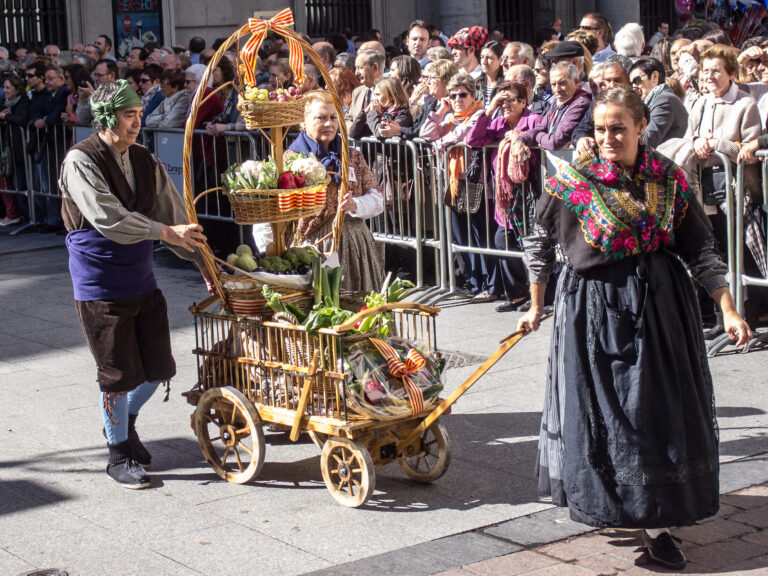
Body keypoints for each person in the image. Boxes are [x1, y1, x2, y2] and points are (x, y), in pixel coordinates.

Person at [517, 85, 751, 570]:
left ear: (642, 126)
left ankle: (658, 525)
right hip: (593, 310)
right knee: (605, 411)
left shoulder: (668, 177)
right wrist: (535, 304)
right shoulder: (574, 179)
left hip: (663, 311)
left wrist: (727, 308)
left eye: (618, 127)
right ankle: (611, 503)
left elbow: (700, 251)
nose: (607, 137)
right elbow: (539, 241)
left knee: (655, 411)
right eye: (600, 128)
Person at [58, 80, 213, 488]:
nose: (137, 123)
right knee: (117, 375)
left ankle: (124, 423)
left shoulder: (144, 159)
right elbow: (108, 218)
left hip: (141, 277)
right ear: (107, 118)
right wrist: (165, 233)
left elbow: (174, 216)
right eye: (129, 115)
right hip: (100, 284)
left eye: (140, 114)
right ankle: (118, 454)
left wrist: (206, 266)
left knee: (158, 368)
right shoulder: (80, 160)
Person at [286, 90, 385, 292]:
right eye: (320, 118)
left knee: (359, 311)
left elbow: (377, 198)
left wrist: (355, 204)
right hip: (313, 246)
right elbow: (275, 208)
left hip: (355, 245)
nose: (329, 124)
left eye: (333, 117)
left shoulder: (352, 155)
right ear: (305, 121)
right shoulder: (291, 159)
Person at [465, 81, 542, 312]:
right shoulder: (497, 123)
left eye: (510, 100)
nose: (505, 104)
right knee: (502, 241)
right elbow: (473, 140)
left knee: (532, 244)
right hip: (505, 196)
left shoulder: (534, 121)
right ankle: (517, 294)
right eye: (501, 100)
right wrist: (489, 110)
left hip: (529, 191)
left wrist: (518, 139)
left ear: (523, 102)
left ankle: (539, 297)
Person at [419, 73, 489, 297]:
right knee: (460, 235)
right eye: (453, 95)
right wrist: (440, 111)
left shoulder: (479, 113)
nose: (458, 99)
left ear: (473, 94)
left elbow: (464, 135)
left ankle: (485, 283)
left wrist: (442, 142)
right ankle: (471, 281)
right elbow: (425, 133)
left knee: (478, 235)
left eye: (462, 94)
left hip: (474, 180)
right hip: (453, 182)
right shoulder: (450, 116)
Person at [628, 58, 687, 147]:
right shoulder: (658, 99)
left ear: (654, 76)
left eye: (637, 81)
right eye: (631, 84)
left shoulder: (665, 100)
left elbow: (647, 140)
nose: (634, 87)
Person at [0, 74, 30, 226]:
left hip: (20, 149)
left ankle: (28, 216)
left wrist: (6, 118)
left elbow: (22, 120)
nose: (4, 90)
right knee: (13, 183)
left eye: (8, 87)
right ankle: (20, 215)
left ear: (17, 89)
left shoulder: (24, 102)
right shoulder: (4, 103)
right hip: (8, 149)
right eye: (4, 87)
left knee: (22, 184)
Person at [346, 49, 385, 130]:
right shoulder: (357, 92)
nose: (356, 73)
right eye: (356, 68)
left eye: (360, 68)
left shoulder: (389, 90)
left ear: (375, 67)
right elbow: (349, 117)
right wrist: (350, 127)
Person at [477, 41, 505, 107]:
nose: (484, 62)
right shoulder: (477, 84)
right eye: (482, 57)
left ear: (500, 60)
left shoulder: (506, 86)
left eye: (489, 58)